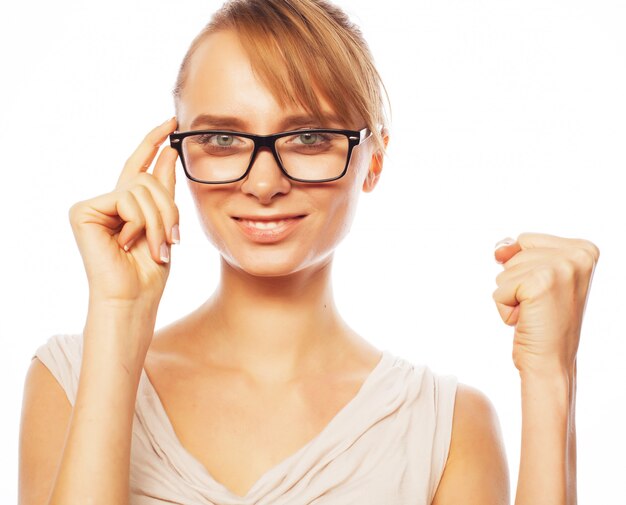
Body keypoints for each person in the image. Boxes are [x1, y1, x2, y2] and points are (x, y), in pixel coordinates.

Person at [18, 1, 599, 504]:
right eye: (222, 138)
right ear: (175, 158)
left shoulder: (444, 426)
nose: (264, 183)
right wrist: (120, 318)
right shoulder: (71, 379)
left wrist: (551, 377)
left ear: (373, 159)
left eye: (309, 137)